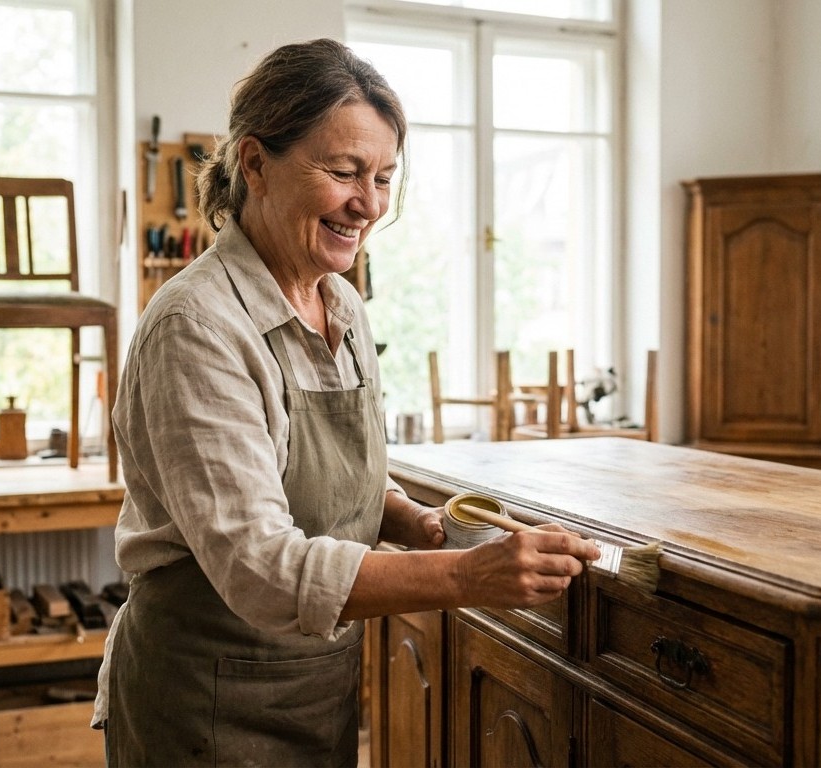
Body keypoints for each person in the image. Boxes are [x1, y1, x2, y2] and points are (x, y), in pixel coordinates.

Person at [93, 38, 599, 767]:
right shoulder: (196, 327)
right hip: (199, 699)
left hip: (311, 686)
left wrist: (414, 521)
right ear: (255, 164)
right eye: (343, 172)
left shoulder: (343, 305)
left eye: (385, 178)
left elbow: (342, 474)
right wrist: (465, 576)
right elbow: (260, 567)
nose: (368, 203)